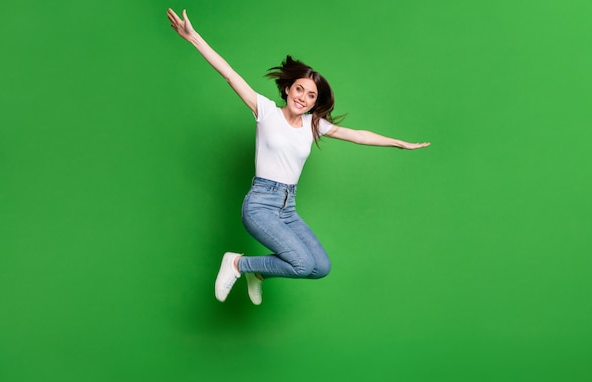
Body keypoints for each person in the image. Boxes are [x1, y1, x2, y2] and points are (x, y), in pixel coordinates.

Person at [166, 8, 430, 305]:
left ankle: (259, 273)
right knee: (301, 263)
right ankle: (238, 264)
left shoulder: (312, 125)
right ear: (288, 88)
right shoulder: (265, 111)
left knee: (320, 267)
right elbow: (229, 73)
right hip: (260, 205)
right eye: (299, 89)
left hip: (288, 208)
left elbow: (358, 135)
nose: (303, 97)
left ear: (315, 102)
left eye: (311, 95)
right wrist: (193, 38)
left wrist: (398, 143)